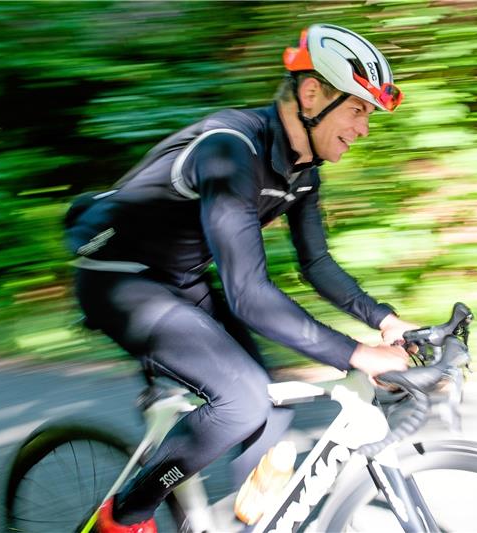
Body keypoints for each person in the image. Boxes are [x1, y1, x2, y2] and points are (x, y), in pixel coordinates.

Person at [65, 23, 417, 533]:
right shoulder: (229, 150)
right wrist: (359, 354)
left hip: (179, 279)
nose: (364, 127)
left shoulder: (302, 170)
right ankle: (121, 519)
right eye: (358, 109)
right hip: (119, 279)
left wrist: (386, 321)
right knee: (242, 400)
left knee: (272, 412)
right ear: (313, 93)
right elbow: (249, 294)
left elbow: (316, 264)